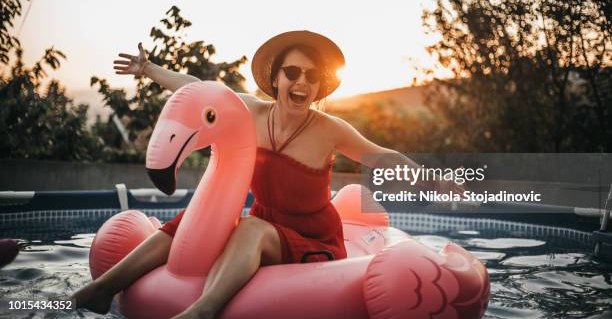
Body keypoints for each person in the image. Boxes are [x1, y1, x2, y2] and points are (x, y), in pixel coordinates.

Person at [72, 30, 460, 319]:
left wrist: (434, 179)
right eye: (293, 72)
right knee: (188, 221)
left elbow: (381, 156)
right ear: (276, 78)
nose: (302, 82)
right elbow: (200, 91)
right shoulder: (249, 113)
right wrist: (150, 70)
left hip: (313, 239)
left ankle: (203, 311)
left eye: (312, 76)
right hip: (265, 226)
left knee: (250, 230)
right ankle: (102, 289)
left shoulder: (329, 129)